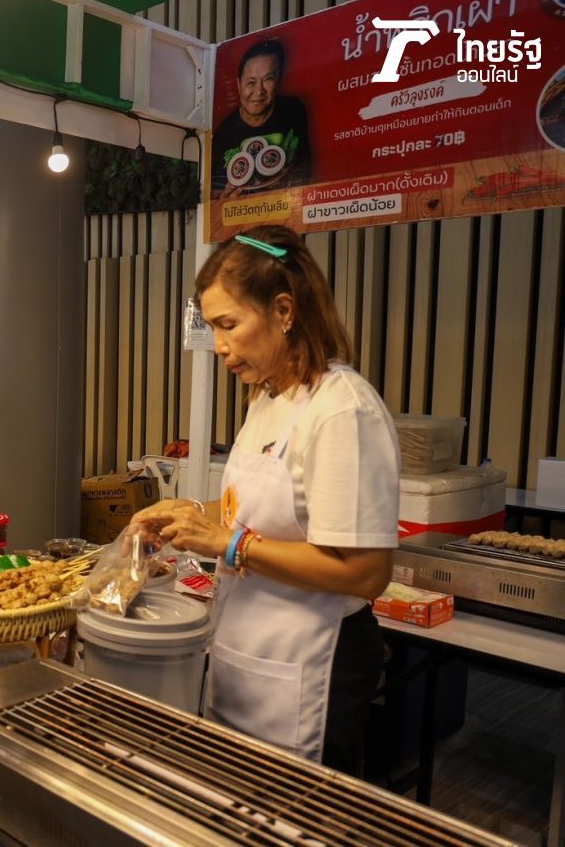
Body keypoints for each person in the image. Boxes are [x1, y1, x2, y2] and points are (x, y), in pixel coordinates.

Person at [129, 225, 398, 775]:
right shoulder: (268, 398)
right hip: (247, 652)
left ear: (283, 310)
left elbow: (366, 572)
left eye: (229, 325)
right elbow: (250, 511)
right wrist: (187, 513)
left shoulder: (341, 410)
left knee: (297, 810)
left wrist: (231, 545)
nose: (219, 346)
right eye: (212, 327)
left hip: (312, 663)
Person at [210, 39, 310, 198]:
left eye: (268, 79)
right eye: (251, 82)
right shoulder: (223, 134)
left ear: (278, 80)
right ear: (238, 84)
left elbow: (305, 169)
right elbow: (214, 195)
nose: (259, 91)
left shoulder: (293, 110)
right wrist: (224, 200)